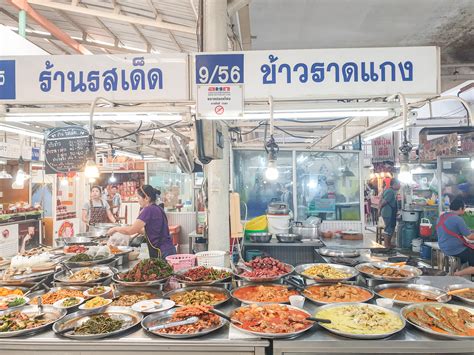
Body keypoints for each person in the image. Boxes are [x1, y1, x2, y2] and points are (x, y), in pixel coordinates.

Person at [107, 185, 176, 259]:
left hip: (161, 251)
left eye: (139, 198)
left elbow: (131, 231)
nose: (138, 200)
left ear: (146, 198)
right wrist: (132, 227)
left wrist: (115, 229)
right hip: (169, 249)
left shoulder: (148, 210)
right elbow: (152, 231)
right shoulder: (158, 208)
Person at [436, 197, 474, 266]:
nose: (464, 210)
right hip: (455, 250)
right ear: (460, 208)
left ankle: (462, 270)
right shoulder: (458, 219)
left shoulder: (441, 217)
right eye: (464, 208)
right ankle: (460, 273)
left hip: (443, 247)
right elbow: (470, 237)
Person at [379, 178, 401, 248]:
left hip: (390, 213)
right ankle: (386, 245)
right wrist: (379, 209)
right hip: (387, 213)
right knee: (388, 229)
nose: (399, 186)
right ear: (394, 184)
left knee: (391, 228)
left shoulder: (392, 191)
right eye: (398, 184)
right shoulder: (390, 192)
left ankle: (389, 243)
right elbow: (383, 202)